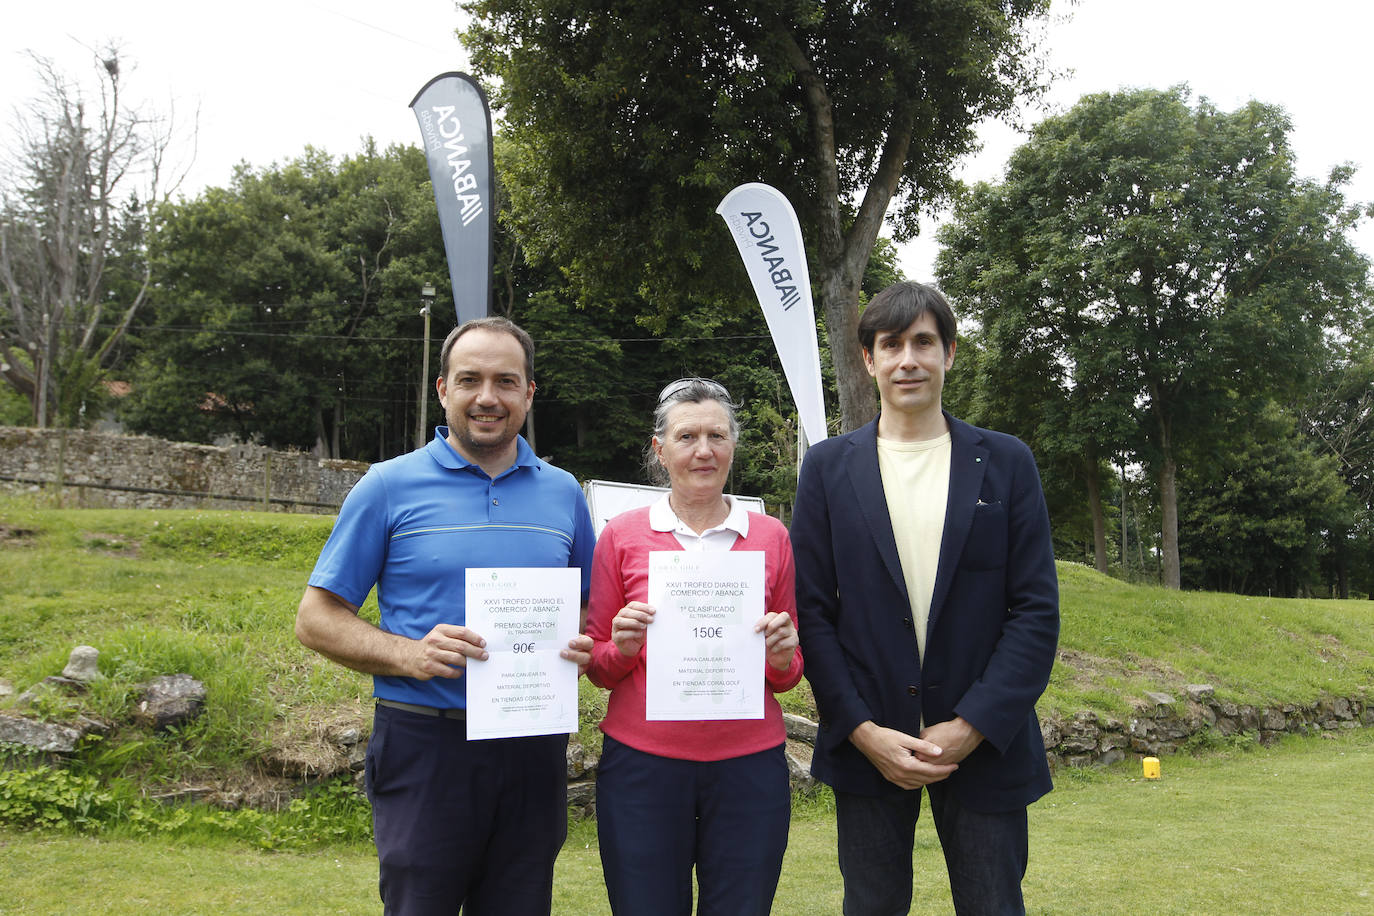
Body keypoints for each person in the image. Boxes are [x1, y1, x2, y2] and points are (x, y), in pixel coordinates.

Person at [294, 316, 596, 916]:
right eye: (470, 380)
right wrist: (407, 653)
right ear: (443, 390)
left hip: (531, 740)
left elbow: (587, 603)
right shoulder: (386, 486)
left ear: (529, 394)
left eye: (506, 381)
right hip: (426, 741)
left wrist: (583, 644)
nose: (488, 397)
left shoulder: (564, 493)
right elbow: (316, 617)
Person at [791, 282, 1060, 916]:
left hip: (984, 744)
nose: (907, 359)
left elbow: (1035, 611)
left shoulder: (1007, 462)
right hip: (870, 743)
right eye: (891, 345)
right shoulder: (827, 469)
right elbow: (812, 613)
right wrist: (860, 730)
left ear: (950, 353)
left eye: (923, 343)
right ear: (869, 359)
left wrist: (971, 726)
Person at [584, 377, 803, 916]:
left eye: (717, 435)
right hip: (643, 767)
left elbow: (790, 670)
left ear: (733, 445)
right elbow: (600, 667)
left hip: (749, 766)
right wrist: (622, 646)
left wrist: (781, 656)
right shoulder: (621, 535)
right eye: (687, 437)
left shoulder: (771, 536)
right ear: (660, 450)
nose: (703, 450)